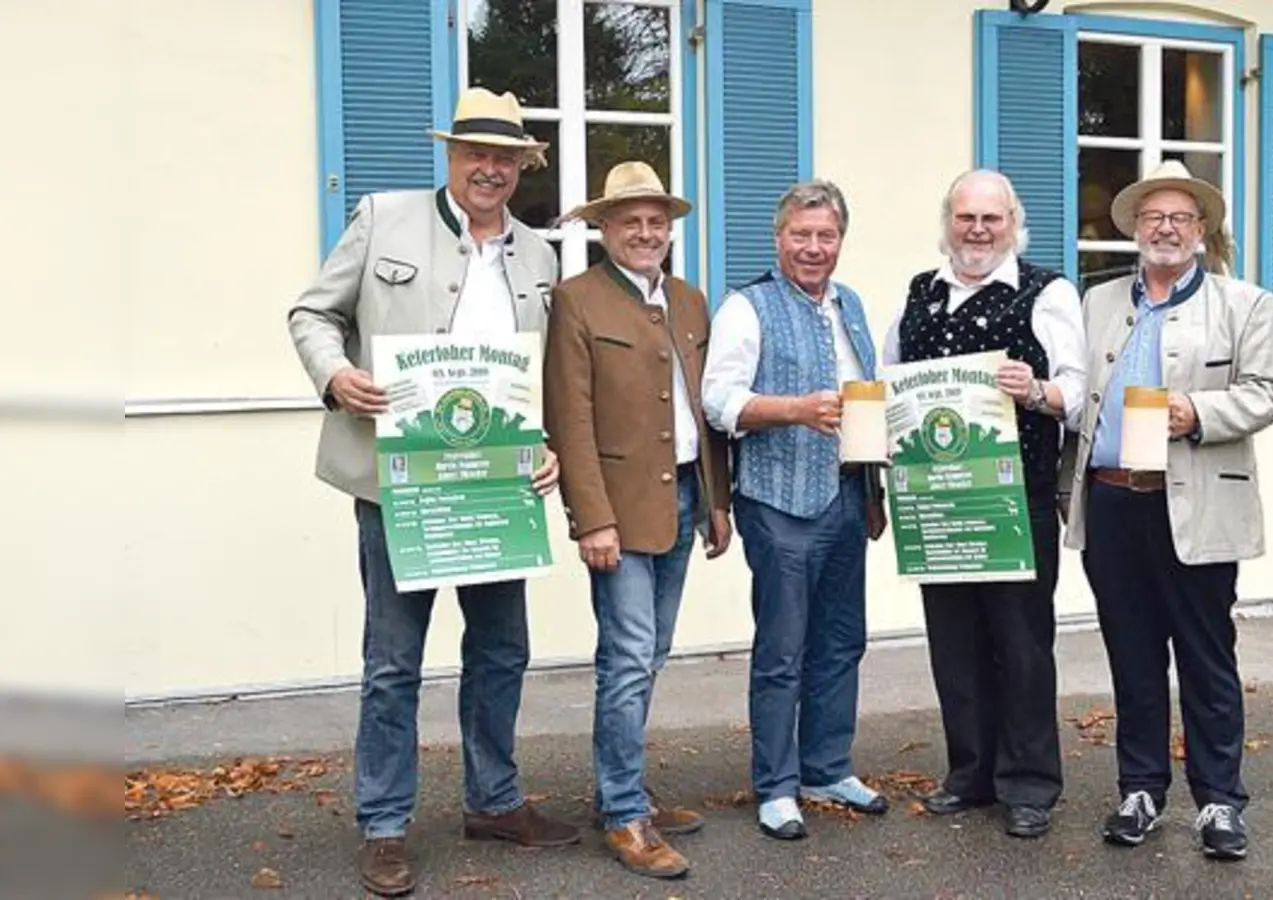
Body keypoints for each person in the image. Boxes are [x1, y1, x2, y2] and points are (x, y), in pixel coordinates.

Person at [287, 87, 580, 897]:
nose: (490, 169)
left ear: (523, 167)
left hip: (496, 485)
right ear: (450, 156)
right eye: (475, 153)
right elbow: (311, 314)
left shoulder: (539, 253)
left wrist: (546, 444)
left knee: (502, 652)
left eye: (506, 157)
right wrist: (337, 375)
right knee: (393, 662)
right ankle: (384, 823)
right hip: (397, 481)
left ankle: (493, 800)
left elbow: (542, 370)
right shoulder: (384, 217)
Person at [1059, 160, 1273, 861]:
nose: (1166, 228)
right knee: (1131, 659)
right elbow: (1076, 397)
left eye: (1180, 218)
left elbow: (1269, 391)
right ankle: (1141, 790)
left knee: (1206, 659)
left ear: (1201, 231)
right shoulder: (1096, 303)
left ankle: (1219, 802)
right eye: (1153, 217)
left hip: (1195, 505)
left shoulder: (1245, 304)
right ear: (1133, 229)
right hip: (1112, 504)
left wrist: (1198, 412)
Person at [883, 169, 1087, 839]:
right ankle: (969, 773)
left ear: (1012, 223)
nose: (977, 230)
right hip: (936, 499)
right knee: (955, 643)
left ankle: (1029, 784)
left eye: (990, 219)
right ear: (948, 222)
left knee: (1021, 645)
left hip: (1011, 495)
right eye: (965, 217)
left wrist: (1035, 389)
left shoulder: (1047, 291)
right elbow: (889, 381)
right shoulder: (921, 292)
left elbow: (1079, 393)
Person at [543, 161, 733, 879]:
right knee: (625, 660)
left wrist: (716, 501)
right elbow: (569, 414)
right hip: (617, 510)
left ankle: (618, 789)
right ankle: (626, 813)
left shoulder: (688, 299)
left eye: (657, 222)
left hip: (683, 496)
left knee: (650, 656)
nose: (646, 233)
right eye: (630, 222)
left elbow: (701, 411)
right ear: (604, 229)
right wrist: (590, 517)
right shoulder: (578, 300)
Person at [700, 180, 890, 840]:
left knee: (842, 641)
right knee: (783, 648)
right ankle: (776, 785)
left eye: (826, 236)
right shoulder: (747, 307)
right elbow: (718, 401)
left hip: (846, 495)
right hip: (778, 500)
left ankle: (826, 765)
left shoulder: (853, 304)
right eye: (801, 235)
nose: (814, 247)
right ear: (779, 238)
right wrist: (794, 410)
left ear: (841, 240)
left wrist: (874, 491)